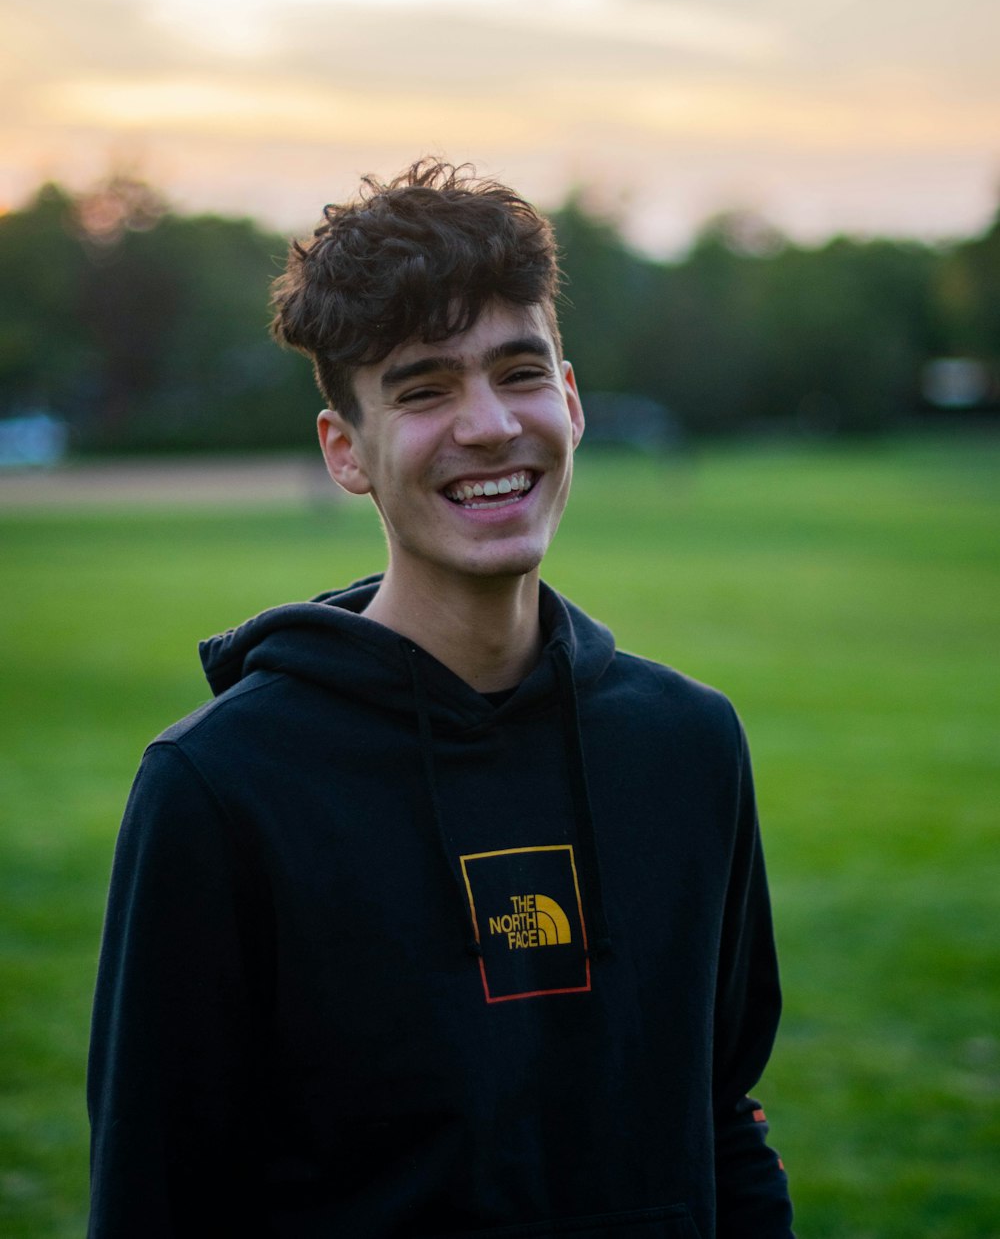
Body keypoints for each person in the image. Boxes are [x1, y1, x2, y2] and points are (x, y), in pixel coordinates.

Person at [87, 158, 795, 1238]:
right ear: (346, 453)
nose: (486, 426)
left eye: (517, 373)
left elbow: (718, 1115)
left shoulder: (688, 745)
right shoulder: (220, 789)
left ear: (569, 399)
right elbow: (160, 1198)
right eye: (423, 390)